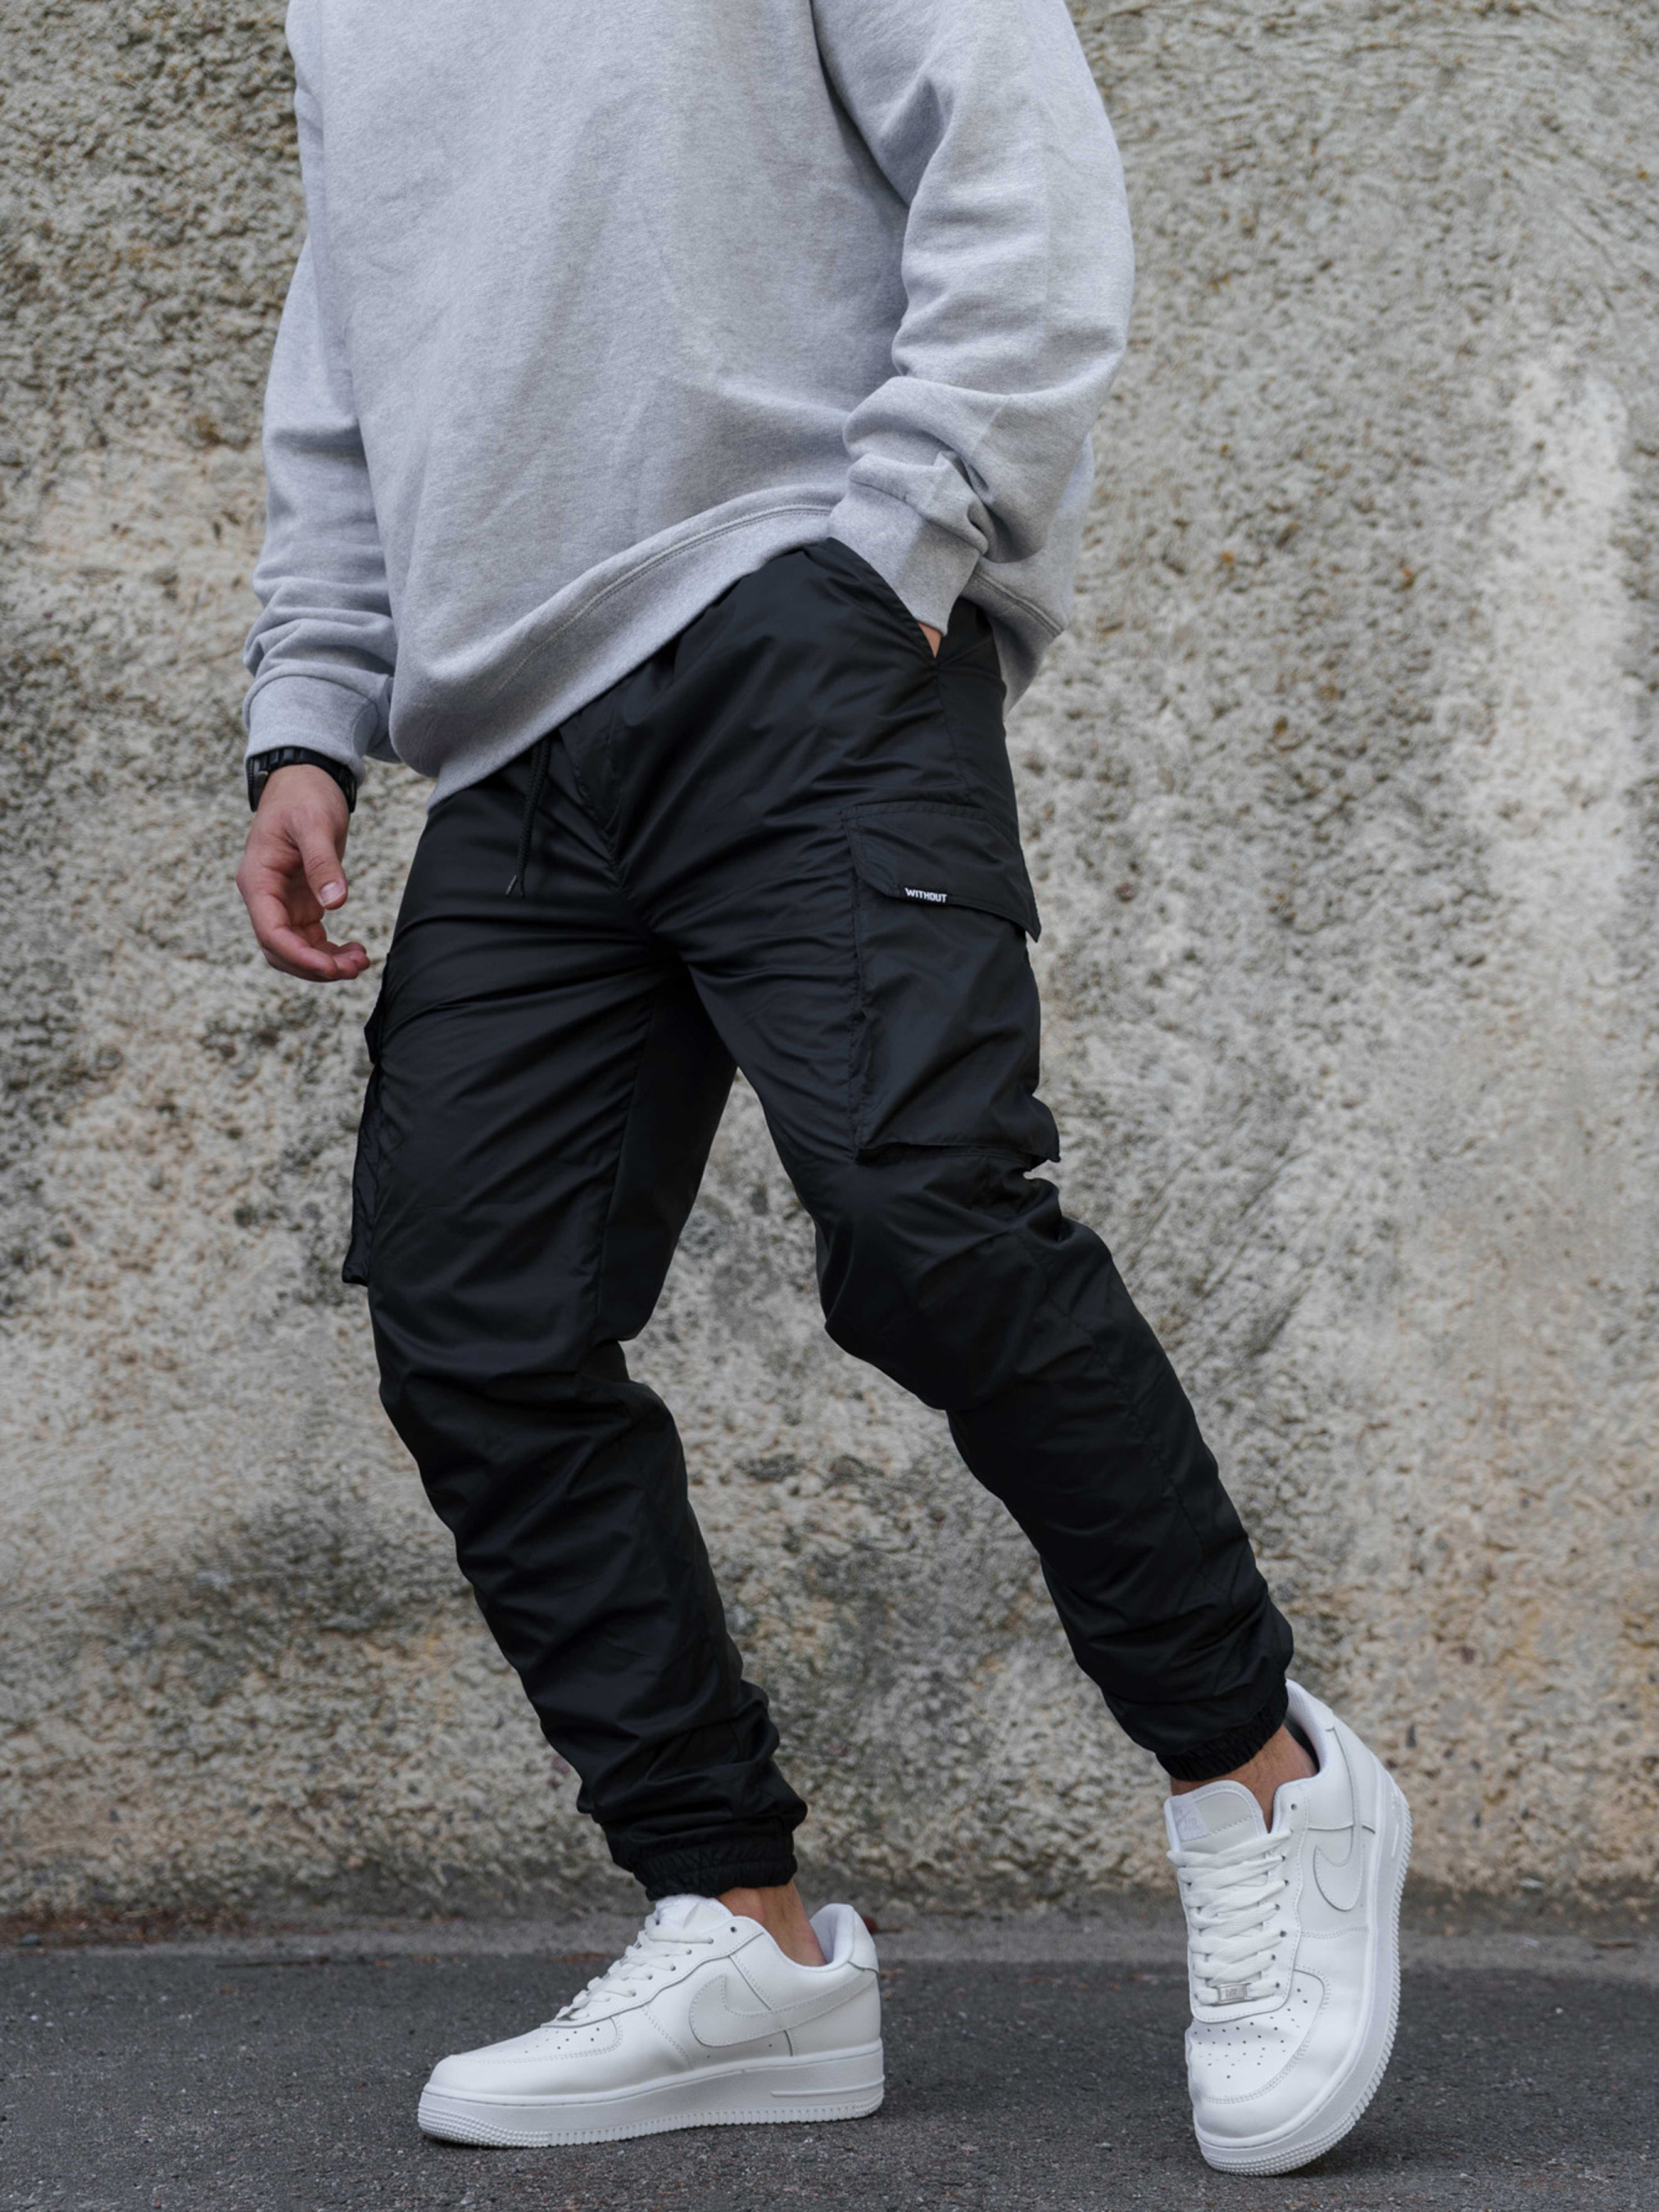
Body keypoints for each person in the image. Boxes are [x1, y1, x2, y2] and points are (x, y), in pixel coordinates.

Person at [235, 0, 1410, 2176]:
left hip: (795, 624)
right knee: (473, 1315)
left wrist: (902, 541)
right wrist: (312, 698)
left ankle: (1260, 1783)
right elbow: (353, 344)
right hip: (508, 734)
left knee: (923, 1215)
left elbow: (1014, 159)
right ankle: (741, 1929)